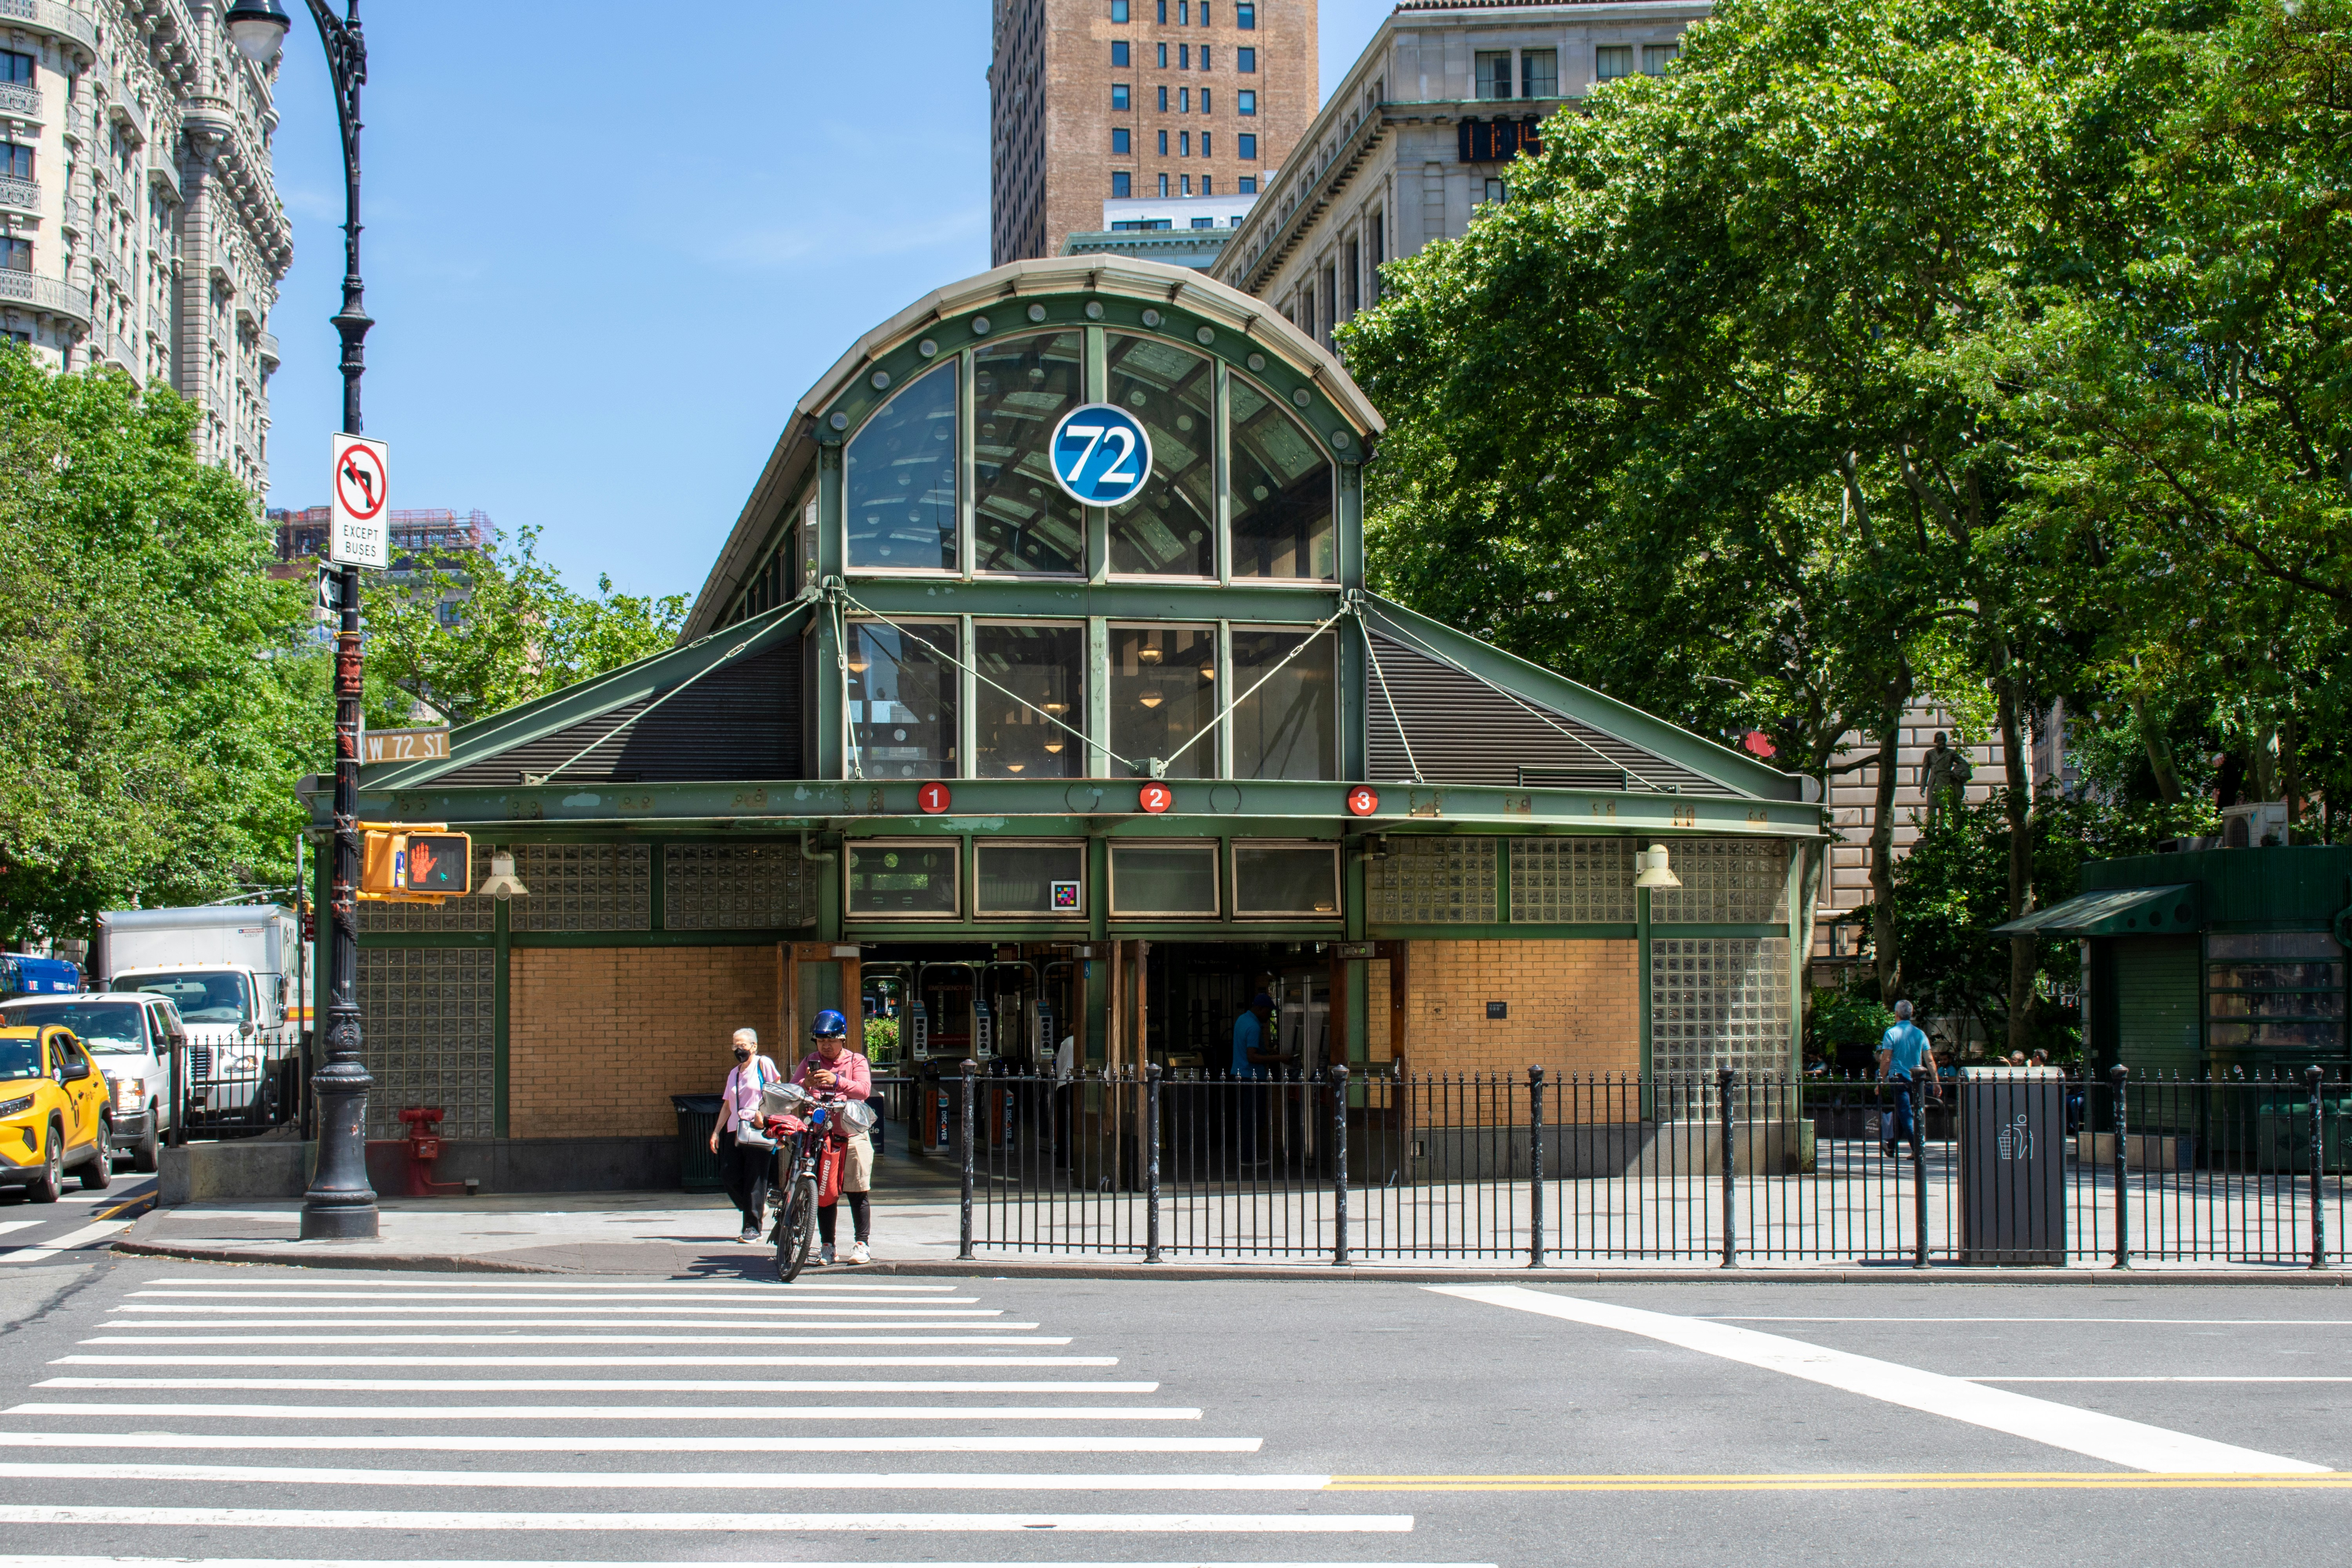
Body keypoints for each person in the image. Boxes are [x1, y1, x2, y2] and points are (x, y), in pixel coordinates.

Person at [793, 1008, 874, 1266]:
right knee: (825, 1192)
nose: (825, 1046)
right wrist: (806, 1083)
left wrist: (837, 1081)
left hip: (851, 1133)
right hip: (821, 1135)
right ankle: (827, 1245)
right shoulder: (809, 1061)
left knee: (857, 1189)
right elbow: (793, 1091)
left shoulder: (855, 1061)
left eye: (831, 1040)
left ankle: (862, 1244)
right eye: (820, 1040)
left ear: (842, 1039)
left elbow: (863, 1091)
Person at [708, 1027, 780, 1245]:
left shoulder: (763, 1064)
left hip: (758, 1129)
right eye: (735, 1046)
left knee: (755, 1179)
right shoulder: (735, 1073)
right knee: (728, 1175)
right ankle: (758, 1208)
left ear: (754, 1046)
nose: (738, 1050)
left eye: (742, 1046)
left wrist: (766, 1117)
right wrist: (716, 1131)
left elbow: (776, 1092)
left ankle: (752, 1228)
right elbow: (728, 1105)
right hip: (735, 1131)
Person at [1876, 1000, 1939, 1158]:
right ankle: (1890, 1145)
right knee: (1902, 1112)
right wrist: (1936, 1082)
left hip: (1898, 1079)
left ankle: (1917, 1149)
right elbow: (1930, 1060)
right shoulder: (1920, 1034)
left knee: (1905, 1113)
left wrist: (1880, 1080)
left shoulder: (1891, 1033)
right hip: (1917, 1081)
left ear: (1896, 1014)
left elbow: (1886, 1060)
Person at [1230, 991, 1281, 1164]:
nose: (1269, 1016)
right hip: (1252, 1077)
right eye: (1268, 1012)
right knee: (1254, 1118)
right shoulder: (1254, 1027)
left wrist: (1268, 1052)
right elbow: (1252, 1057)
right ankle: (1249, 1157)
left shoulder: (1242, 1020)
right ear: (1260, 1009)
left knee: (1245, 1117)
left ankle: (1246, 1154)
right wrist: (1281, 1058)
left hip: (1238, 1075)